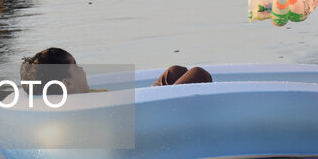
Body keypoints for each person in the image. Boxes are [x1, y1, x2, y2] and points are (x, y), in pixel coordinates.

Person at [20, 47, 212, 94]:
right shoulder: (80, 106)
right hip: (143, 123)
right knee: (199, 74)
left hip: (139, 111)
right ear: (67, 84)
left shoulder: (79, 96)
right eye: (76, 67)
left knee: (175, 71)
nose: (82, 69)